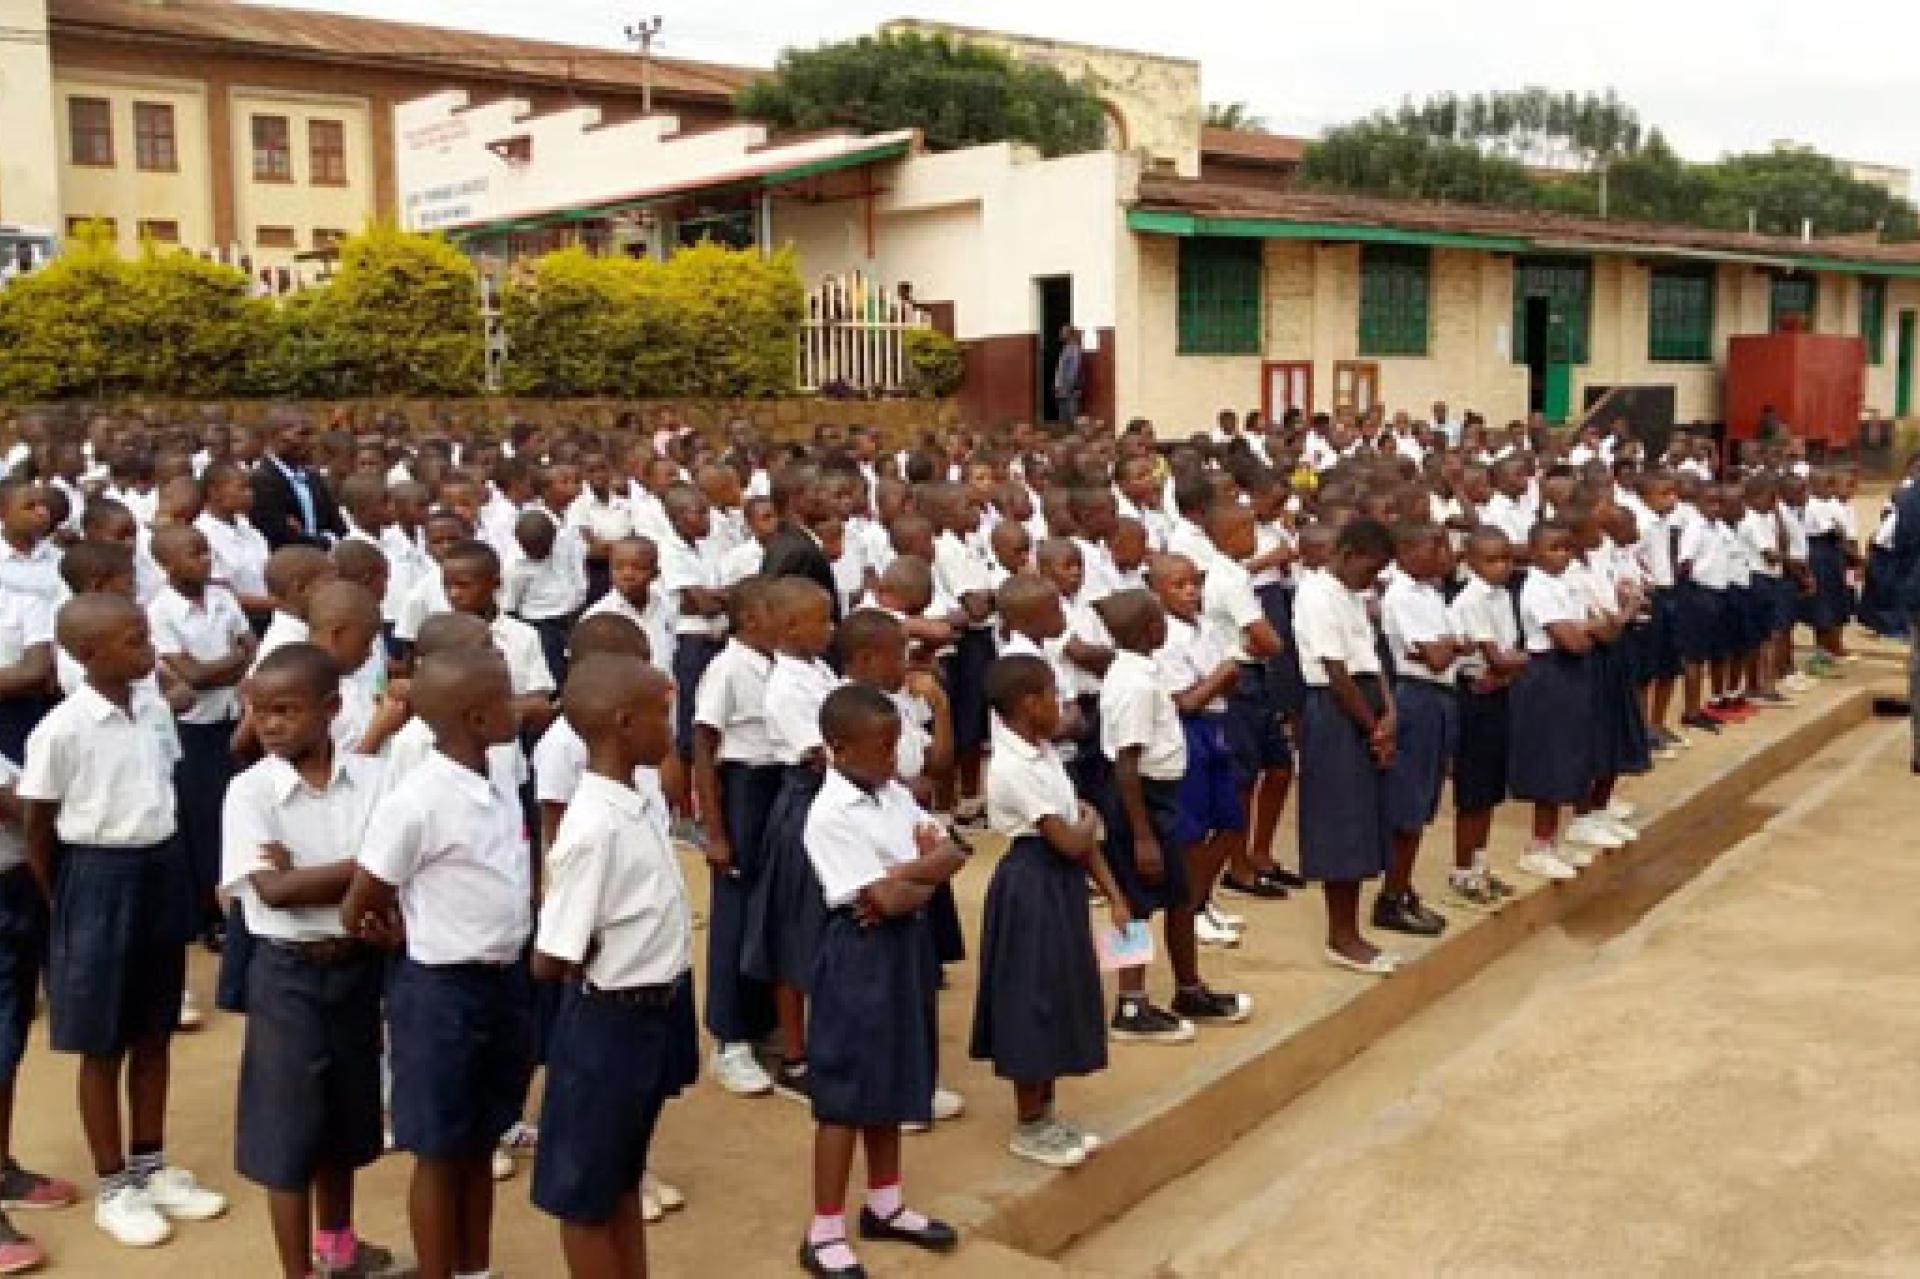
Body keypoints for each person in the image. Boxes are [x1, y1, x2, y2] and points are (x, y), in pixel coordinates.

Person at [19, 593, 228, 1248]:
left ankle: (150, 1162)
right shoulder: (62, 729)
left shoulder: (155, 708)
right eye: (134, 639)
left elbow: (162, 786)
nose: (149, 647)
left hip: (159, 866)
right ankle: (115, 1184)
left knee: (154, 1028)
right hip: (97, 876)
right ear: (86, 654)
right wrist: (71, 899)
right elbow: (38, 828)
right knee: (102, 1041)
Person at [343, 645, 534, 1279]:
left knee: (480, 1140)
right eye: (505, 698)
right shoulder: (417, 801)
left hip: (501, 981)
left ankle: (473, 1269)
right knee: (438, 1149)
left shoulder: (498, 774)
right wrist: (400, 934)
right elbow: (362, 901)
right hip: (439, 991)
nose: (517, 706)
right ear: (476, 718)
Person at [221, 644, 405, 1279]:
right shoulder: (249, 794)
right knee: (287, 1127)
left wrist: (313, 875)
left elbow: (396, 868)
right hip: (287, 973)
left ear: (330, 709)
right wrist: (363, 872)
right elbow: (272, 892)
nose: (268, 724)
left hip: (358, 966)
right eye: (258, 711)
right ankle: (295, 1270)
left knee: (346, 1115)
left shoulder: (376, 779)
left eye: (285, 710)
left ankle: (338, 1247)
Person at [529, 656, 697, 1279]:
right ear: (625, 724)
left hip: (651, 1014)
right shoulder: (594, 825)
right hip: (607, 1025)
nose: (670, 730)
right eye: (663, 716)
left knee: (621, 1176)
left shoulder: (636, 800)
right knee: (588, 1195)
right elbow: (554, 955)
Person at [797, 685, 962, 1279]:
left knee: (893, 1071)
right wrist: (917, 875)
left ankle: (885, 1203)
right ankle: (823, 1229)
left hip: (905, 947)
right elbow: (884, 900)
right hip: (858, 954)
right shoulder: (829, 814)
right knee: (844, 1090)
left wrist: (908, 874)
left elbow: (954, 851)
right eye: (883, 745)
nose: (896, 756)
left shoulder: (892, 794)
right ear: (839, 748)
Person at [970, 654, 1118, 1170]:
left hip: (1060, 884)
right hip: (1030, 885)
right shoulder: (1012, 766)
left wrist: (1113, 893)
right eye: (1054, 695)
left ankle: (1048, 1111)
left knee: (1059, 990)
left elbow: (1081, 836)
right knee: (1030, 996)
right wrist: (1090, 823)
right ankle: (1028, 1119)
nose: (1063, 704)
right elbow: (1067, 836)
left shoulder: (1045, 753)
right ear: (1028, 704)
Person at [1098, 589, 1251, 1040]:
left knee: (1181, 897)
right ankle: (1130, 1004)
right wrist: (1142, 835)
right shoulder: (1135, 683)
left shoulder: (1141, 673)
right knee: (1135, 901)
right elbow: (1127, 762)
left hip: (1161, 796)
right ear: (1152, 630)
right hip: (1138, 800)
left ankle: (1189, 988)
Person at [743, 579, 841, 1103]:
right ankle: (796, 1055)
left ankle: (824, 1041)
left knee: (824, 926)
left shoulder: (817, 670)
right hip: (805, 804)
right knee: (795, 932)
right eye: (821, 621)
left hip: (830, 802)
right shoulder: (786, 686)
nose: (830, 629)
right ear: (787, 629)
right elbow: (822, 753)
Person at [1293, 518, 1402, 974]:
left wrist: (1390, 712)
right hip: (1338, 713)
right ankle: (1341, 936)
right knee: (1341, 826)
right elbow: (1335, 671)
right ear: (1347, 553)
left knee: (1363, 823)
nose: (1372, 578)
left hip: (1368, 708)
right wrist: (1370, 726)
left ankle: (1352, 931)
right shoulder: (1316, 596)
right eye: (1370, 567)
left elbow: (1371, 660)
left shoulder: (1353, 598)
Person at [690, 577, 782, 1098]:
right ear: (751, 621)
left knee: (769, 910)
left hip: (776, 788)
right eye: (779, 616)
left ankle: (761, 1017)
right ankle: (730, 1039)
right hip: (743, 791)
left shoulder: (779, 667)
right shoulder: (725, 670)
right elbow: (704, 748)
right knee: (736, 913)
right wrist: (716, 831)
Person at [148, 523, 255, 952]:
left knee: (236, 815)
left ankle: (237, 905)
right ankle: (211, 916)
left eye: (205, 551)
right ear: (166, 563)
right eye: (193, 554)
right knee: (204, 823)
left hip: (233, 718)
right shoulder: (160, 612)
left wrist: (227, 666)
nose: (204, 560)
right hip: (194, 728)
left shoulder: (223, 597)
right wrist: (233, 662)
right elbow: (191, 676)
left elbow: (253, 646)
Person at [1377, 522, 1460, 936]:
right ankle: (1390, 897)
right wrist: (1452, 645)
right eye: (1435, 546)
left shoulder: (1430, 592)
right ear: (1406, 551)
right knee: (1408, 803)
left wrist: (1450, 644)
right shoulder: (1402, 595)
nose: (1444, 554)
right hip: (1417, 696)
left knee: (1426, 799)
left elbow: (1449, 646)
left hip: (1439, 699)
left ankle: (1403, 886)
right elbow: (1438, 657)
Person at [1508, 521, 1600, 879]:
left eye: (1565, 547)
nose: (1561, 554)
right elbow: (1574, 640)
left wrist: (1586, 630)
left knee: (1571, 752)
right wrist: (1586, 630)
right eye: (1552, 549)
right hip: (1547, 673)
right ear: (1533, 552)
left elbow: (1592, 630)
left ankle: (1555, 839)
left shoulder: (1566, 584)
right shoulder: (1537, 589)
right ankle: (1538, 844)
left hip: (1570, 672)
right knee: (1550, 757)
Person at [1446, 528, 1528, 901]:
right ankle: (1462, 870)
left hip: (1498, 693)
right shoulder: (1471, 601)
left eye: (1507, 559)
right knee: (1474, 788)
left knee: (1492, 787)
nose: (1502, 567)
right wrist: (1534, 658)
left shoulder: (1502, 597)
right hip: (1474, 696)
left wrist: (1511, 665)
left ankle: (1479, 863)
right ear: (1471, 562)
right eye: (1492, 560)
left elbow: (1508, 655)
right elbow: (1495, 658)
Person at [252, 413, 344, 551]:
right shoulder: (261, 481)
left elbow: (339, 528)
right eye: (303, 434)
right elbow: (280, 537)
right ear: (273, 437)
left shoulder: (314, 478)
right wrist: (326, 540)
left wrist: (309, 537)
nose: (312, 442)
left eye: (312, 434)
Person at [1053, 326, 1085, 426]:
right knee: (1064, 412)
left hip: (1068, 386)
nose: (1061, 334)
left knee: (1070, 412)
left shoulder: (1074, 348)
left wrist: (1068, 385)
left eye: (1063, 332)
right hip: (1064, 386)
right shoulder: (1067, 348)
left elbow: (1074, 368)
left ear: (1069, 334)